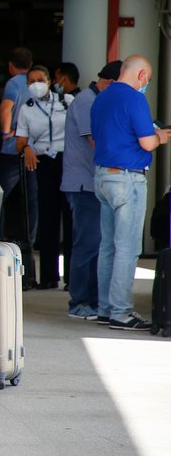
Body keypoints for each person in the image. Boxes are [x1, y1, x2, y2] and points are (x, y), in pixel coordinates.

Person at [91, 55, 170, 331]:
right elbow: (147, 143)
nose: (145, 83)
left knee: (108, 247)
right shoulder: (135, 99)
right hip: (127, 180)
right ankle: (121, 312)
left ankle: (104, 308)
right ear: (141, 76)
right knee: (127, 248)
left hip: (102, 176)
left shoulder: (101, 97)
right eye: (146, 79)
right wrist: (160, 136)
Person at [61, 60, 121, 320]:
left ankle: (95, 301)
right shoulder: (87, 101)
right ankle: (80, 302)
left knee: (99, 245)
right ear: (109, 83)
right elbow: (95, 141)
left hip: (95, 184)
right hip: (84, 184)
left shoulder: (98, 99)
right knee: (87, 244)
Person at [16, 65, 74, 290]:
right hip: (43, 162)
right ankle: (49, 277)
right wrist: (27, 148)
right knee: (48, 219)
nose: (36, 84)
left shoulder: (67, 101)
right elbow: (20, 141)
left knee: (70, 217)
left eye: (40, 79)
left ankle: (72, 277)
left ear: (50, 81)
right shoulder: (26, 109)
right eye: (31, 80)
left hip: (67, 161)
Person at [0, 46, 37, 245]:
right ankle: (30, 240)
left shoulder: (14, 83)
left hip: (13, 149)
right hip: (35, 149)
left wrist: (5, 132)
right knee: (32, 198)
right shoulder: (39, 83)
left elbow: (5, 107)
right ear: (30, 65)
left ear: (10, 66)